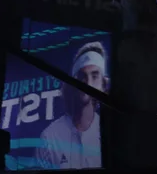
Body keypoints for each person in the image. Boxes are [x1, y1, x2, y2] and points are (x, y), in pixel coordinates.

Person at [36, 41, 109, 169]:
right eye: (82, 76)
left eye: (95, 76)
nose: (88, 83)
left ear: (103, 84)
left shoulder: (109, 134)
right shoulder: (50, 138)